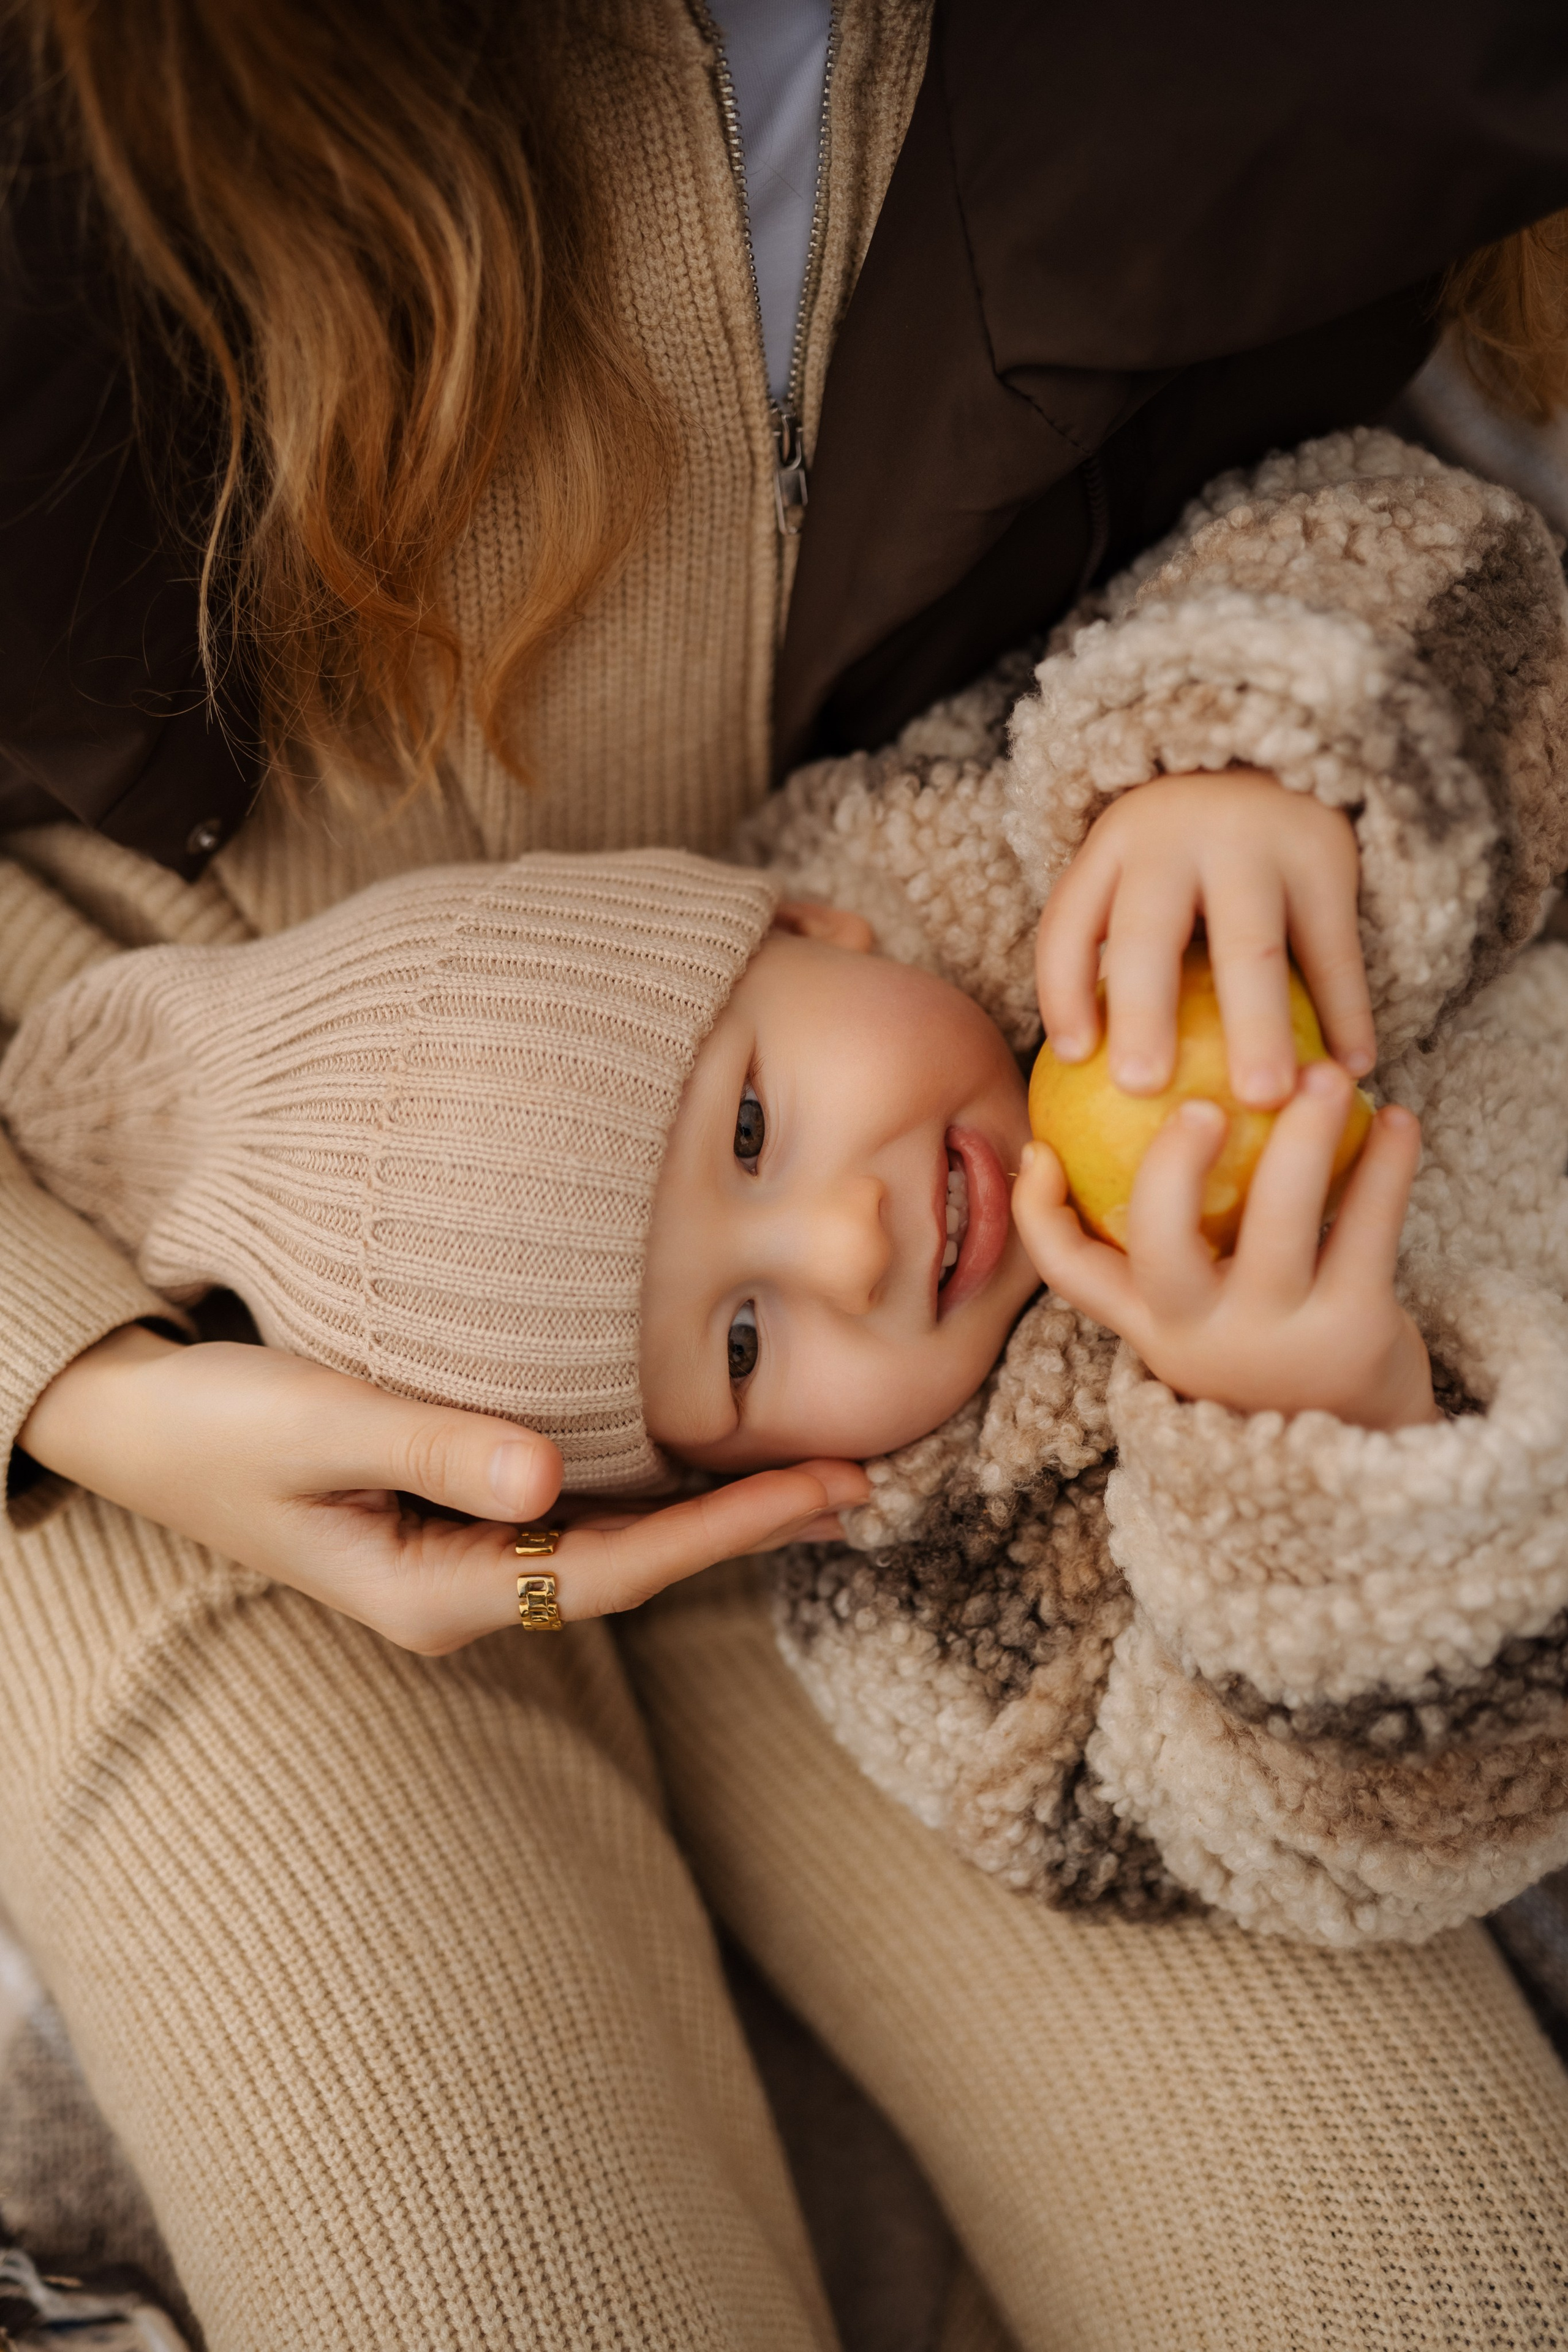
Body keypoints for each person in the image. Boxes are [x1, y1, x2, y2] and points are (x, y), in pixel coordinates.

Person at [4, 2, 1568, 2345]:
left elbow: (1403, 580)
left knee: (1416, 2271)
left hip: (840, 1485)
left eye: (754, 1131)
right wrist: (80, 1378)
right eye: (752, 1308)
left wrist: (1245, 755)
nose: (845, 1228)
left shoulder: (1010, 879)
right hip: (113, 1310)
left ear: (819, 931)